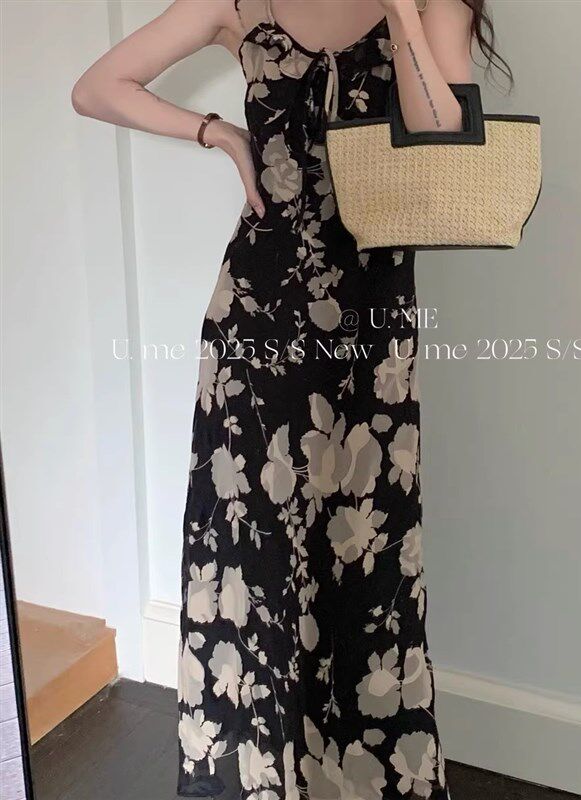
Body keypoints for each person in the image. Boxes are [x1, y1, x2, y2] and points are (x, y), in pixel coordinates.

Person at [72, 1, 510, 796]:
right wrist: (218, 133)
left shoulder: (432, 5)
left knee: (365, 560)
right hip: (256, 320)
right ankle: (255, 779)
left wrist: (403, 12)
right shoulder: (239, 3)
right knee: (254, 557)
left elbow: (444, 138)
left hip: (370, 332)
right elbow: (97, 88)